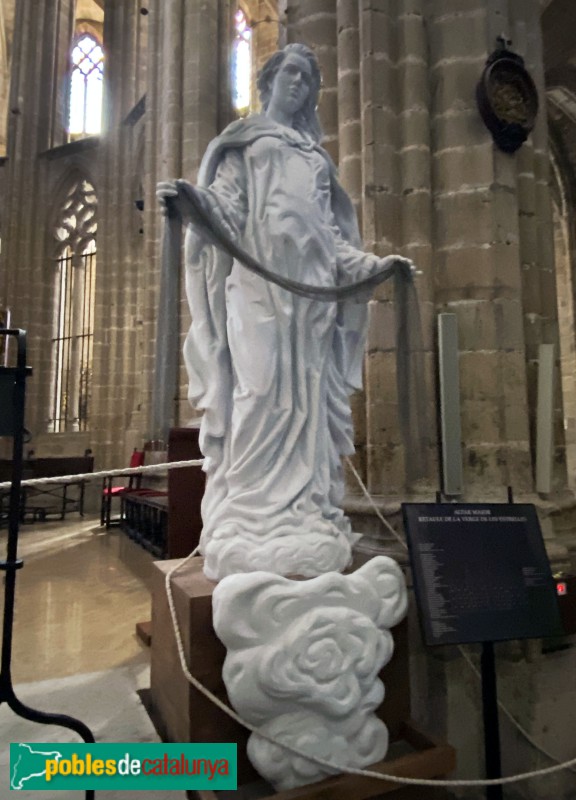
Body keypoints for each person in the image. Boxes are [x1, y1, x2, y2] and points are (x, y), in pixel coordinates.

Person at [157, 44, 415, 581]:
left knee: (307, 404)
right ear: (270, 80)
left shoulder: (315, 159)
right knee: (260, 391)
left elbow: (331, 238)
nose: (300, 84)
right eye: (292, 73)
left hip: (312, 297)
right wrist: (191, 201)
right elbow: (227, 207)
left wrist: (374, 265)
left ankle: (304, 510)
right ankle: (250, 515)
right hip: (259, 288)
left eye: (310, 79)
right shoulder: (246, 142)